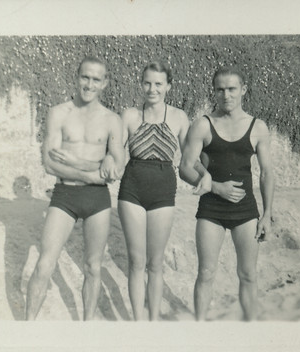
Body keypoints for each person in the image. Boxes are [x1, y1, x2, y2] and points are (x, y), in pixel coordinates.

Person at [25, 56, 125, 321]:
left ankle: (86, 329)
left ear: (105, 83)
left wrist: (100, 164)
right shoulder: (59, 113)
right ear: (77, 77)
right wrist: (93, 173)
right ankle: (26, 330)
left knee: (93, 267)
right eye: (85, 77)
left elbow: (117, 169)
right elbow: (49, 164)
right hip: (65, 195)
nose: (89, 84)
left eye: (96, 79)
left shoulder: (112, 120)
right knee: (44, 264)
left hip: (97, 200)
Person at [179, 66, 275, 321]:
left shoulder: (258, 127)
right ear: (214, 91)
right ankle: (199, 330)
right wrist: (216, 187)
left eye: (232, 88)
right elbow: (185, 168)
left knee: (248, 274)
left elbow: (266, 173)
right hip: (211, 209)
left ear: (243, 90)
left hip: (245, 211)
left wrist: (267, 215)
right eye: (220, 89)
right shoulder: (203, 124)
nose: (226, 95)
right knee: (206, 273)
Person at [118, 61, 191, 321]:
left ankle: (153, 322)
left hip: (163, 192)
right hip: (132, 190)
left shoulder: (179, 117)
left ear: (168, 86)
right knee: (137, 262)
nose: (152, 89)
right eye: (147, 82)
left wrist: (207, 179)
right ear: (141, 83)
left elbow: (191, 160)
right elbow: (115, 155)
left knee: (156, 263)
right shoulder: (129, 116)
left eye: (159, 84)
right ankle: (139, 323)